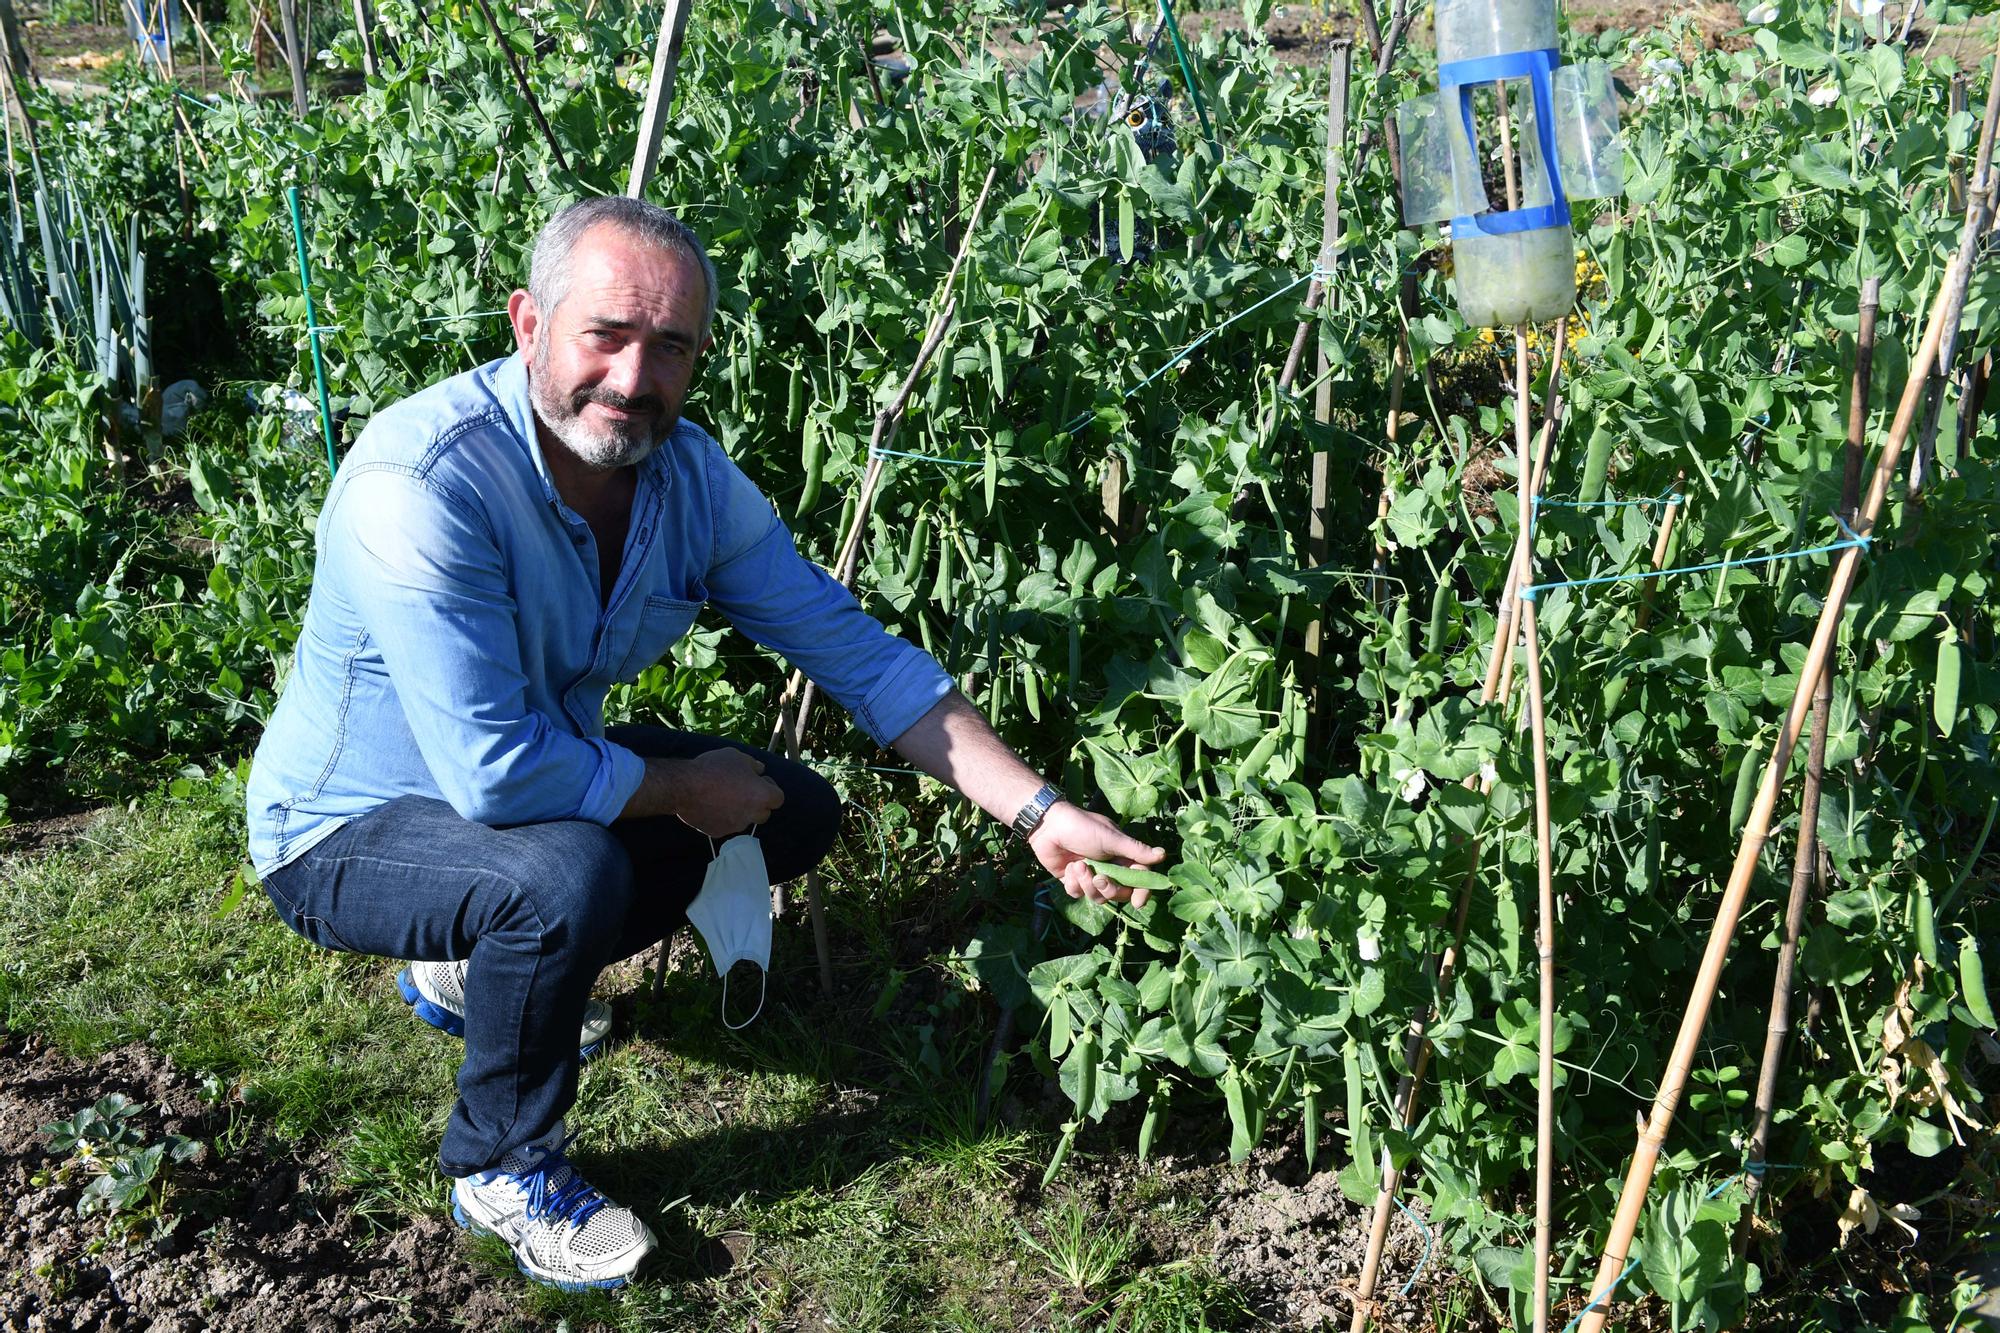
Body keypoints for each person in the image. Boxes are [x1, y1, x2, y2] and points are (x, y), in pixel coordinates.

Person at [244, 196, 1165, 1292]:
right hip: (345, 828)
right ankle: (500, 1158)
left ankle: (468, 967)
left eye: (669, 345)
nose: (634, 378)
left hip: (519, 787)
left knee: (793, 805)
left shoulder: (684, 483)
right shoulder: (422, 485)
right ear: (529, 325)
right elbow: (496, 773)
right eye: (605, 335)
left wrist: (1038, 812)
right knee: (560, 872)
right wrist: (680, 783)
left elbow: (855, 655)